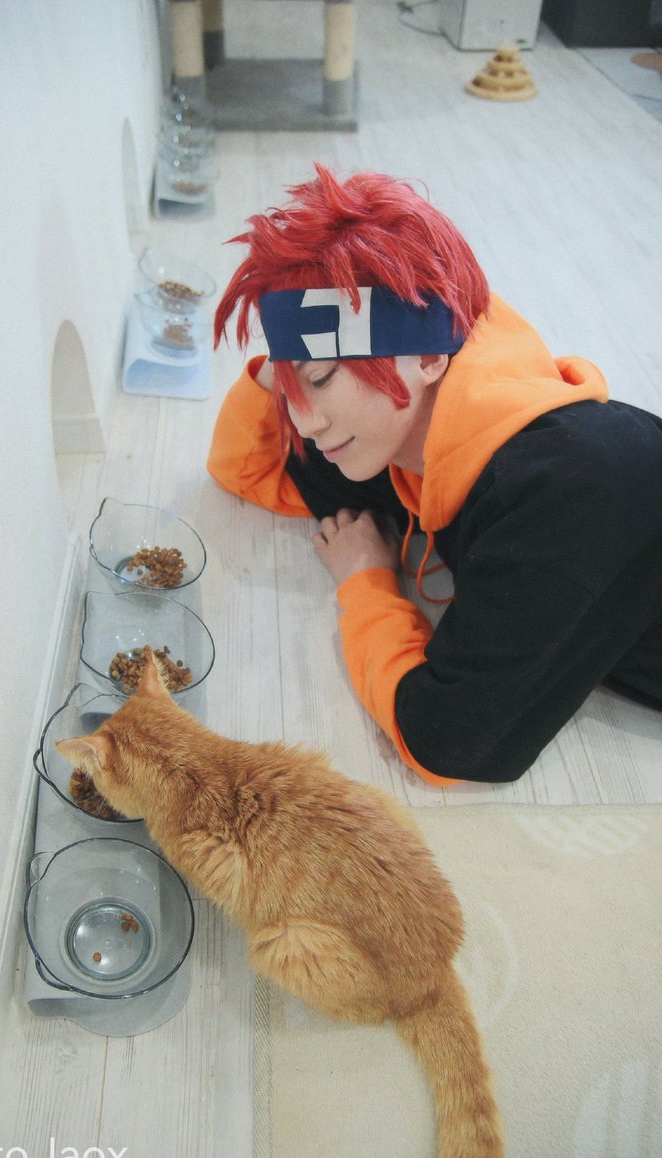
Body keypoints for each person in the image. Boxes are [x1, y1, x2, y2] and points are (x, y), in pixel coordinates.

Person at [207, 163, 662, 785]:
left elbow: (447, 743)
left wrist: (365, 583)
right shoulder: (412, 438)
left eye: (322, 380)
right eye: (293, 390)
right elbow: (245, 468)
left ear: (426, 355)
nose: (306, 423)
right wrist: (284, 367)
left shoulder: (570, 490)